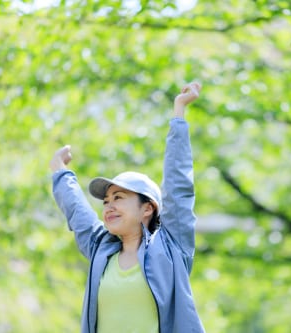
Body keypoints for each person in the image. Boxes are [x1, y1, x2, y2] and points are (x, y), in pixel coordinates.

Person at [50, 82, 205, 333]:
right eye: (106, 201)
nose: (109, 206)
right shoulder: (101, 249)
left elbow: (178, 185)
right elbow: (78, 213)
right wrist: (60, 172)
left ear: (147, 209)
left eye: (119, 197)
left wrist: (179, 113)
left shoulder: (171, 246)